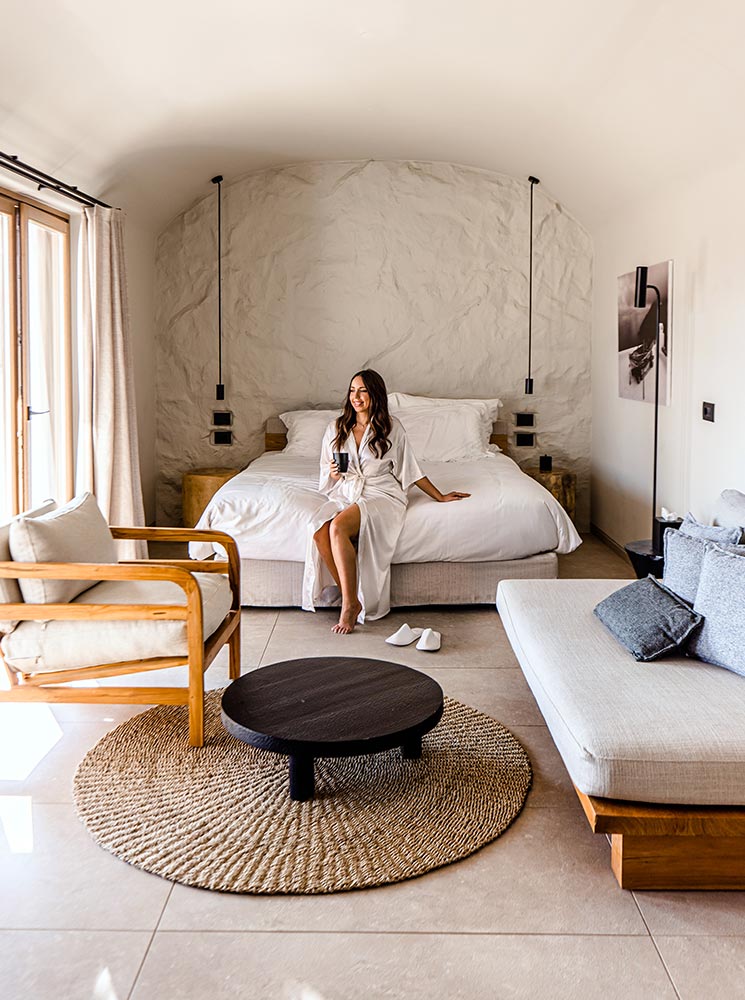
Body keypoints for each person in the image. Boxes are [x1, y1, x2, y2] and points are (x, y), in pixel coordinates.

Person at [301, 369, 470, 634]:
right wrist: (333, 474)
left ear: (375, 394)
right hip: (348, 490)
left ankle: (347, 606)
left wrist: (439, 495)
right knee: (320, 532)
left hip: (382, 493)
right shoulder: (336, 427)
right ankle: (353, 598)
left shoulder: (391, 428)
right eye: (352, 390)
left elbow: (410, 469)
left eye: (363, 391)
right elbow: (326, 469)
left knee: (337, 527)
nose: (356, 397)